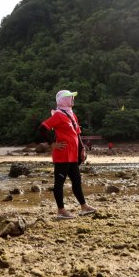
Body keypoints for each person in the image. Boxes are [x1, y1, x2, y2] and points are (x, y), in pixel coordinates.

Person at [38, 90, 97, 220]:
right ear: (63, 100)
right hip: (62, 155)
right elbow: (42, 128)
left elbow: (77, 134)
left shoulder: (72, 115)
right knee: (59, 182)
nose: (73, 99)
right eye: (70, 97)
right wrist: (52, 144)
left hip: (73, 155)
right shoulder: (58, 115)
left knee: (77, 181)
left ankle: (84, 207)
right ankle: (61, 210)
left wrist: (82, 149)